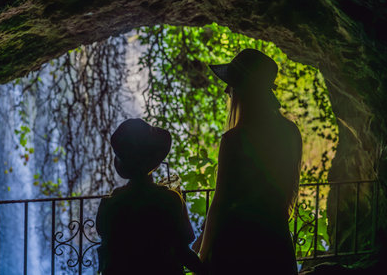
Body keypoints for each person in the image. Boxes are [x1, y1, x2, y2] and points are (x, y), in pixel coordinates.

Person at [198, 49, 302, 274]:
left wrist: (202, 254)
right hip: (276, 242)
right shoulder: (291, 132)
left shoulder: (234, 139)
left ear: (242, 91)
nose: (227, 90)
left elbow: (220, 203)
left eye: (231, 85)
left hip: (237, 247)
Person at [96, 118, 206, 275]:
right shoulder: (170, 199)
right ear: (154, 162)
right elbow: (184, 248)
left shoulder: (109, 204)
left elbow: (107, 255)